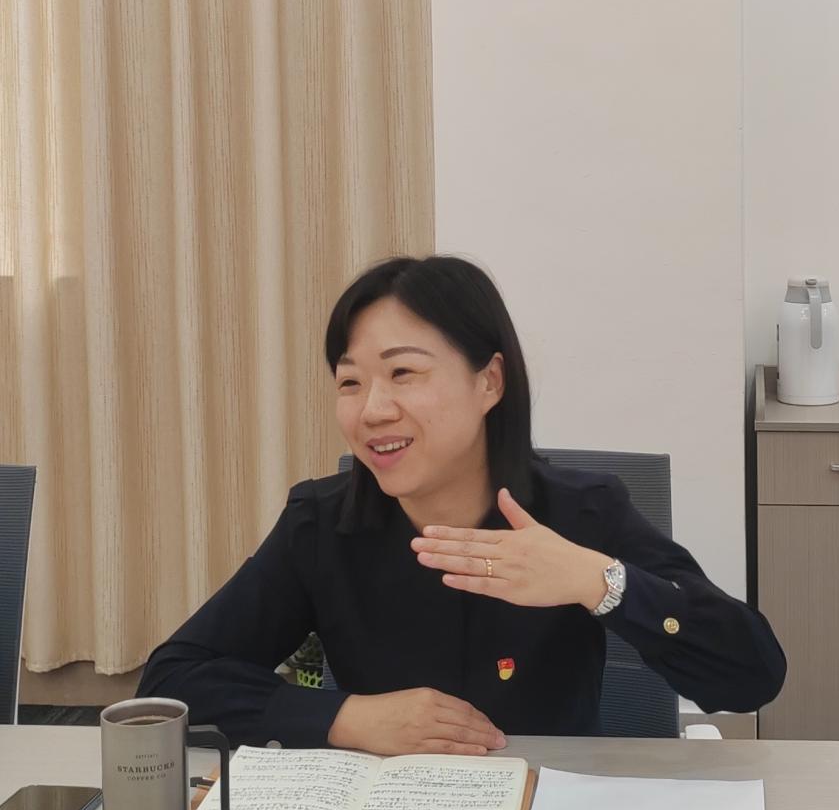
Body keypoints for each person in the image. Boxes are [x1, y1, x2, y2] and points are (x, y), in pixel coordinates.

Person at [138, 255, 785, 753]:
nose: (372, 410)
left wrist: (599, 582)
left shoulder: (581, 514)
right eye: (350, 382)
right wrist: (346, 717)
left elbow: (751, 675)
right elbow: (171, 681)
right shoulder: (323, 524)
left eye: (403, 373)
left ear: (489, 382)